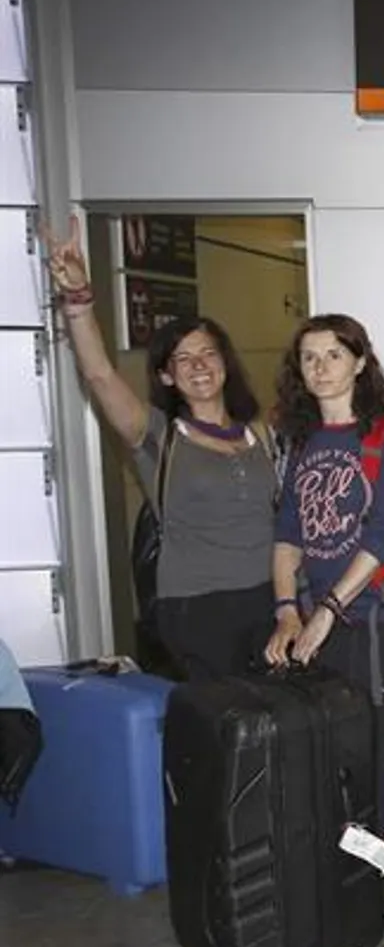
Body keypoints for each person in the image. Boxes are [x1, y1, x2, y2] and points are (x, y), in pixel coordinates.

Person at [43, 216, 278, 681]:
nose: (198, 366)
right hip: (198, 606)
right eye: (183, 359)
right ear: (167, 376)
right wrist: (78, 298)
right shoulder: (156, 435)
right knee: (224, 723)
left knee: (274, 721)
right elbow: (99, 375)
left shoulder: (261, 435)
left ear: (225, 364)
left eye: (208, 353)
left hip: (269, 598)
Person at [263, 314, 384, 845]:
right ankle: (351, 866)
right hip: (323, 616)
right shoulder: (301, 440)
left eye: (333, 355)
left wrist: (328, 611)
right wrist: (288, 610)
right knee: (339, 743)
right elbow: (287, 530)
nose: (320, 367)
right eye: (309, 357)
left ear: (359, 362)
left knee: (374, 745)